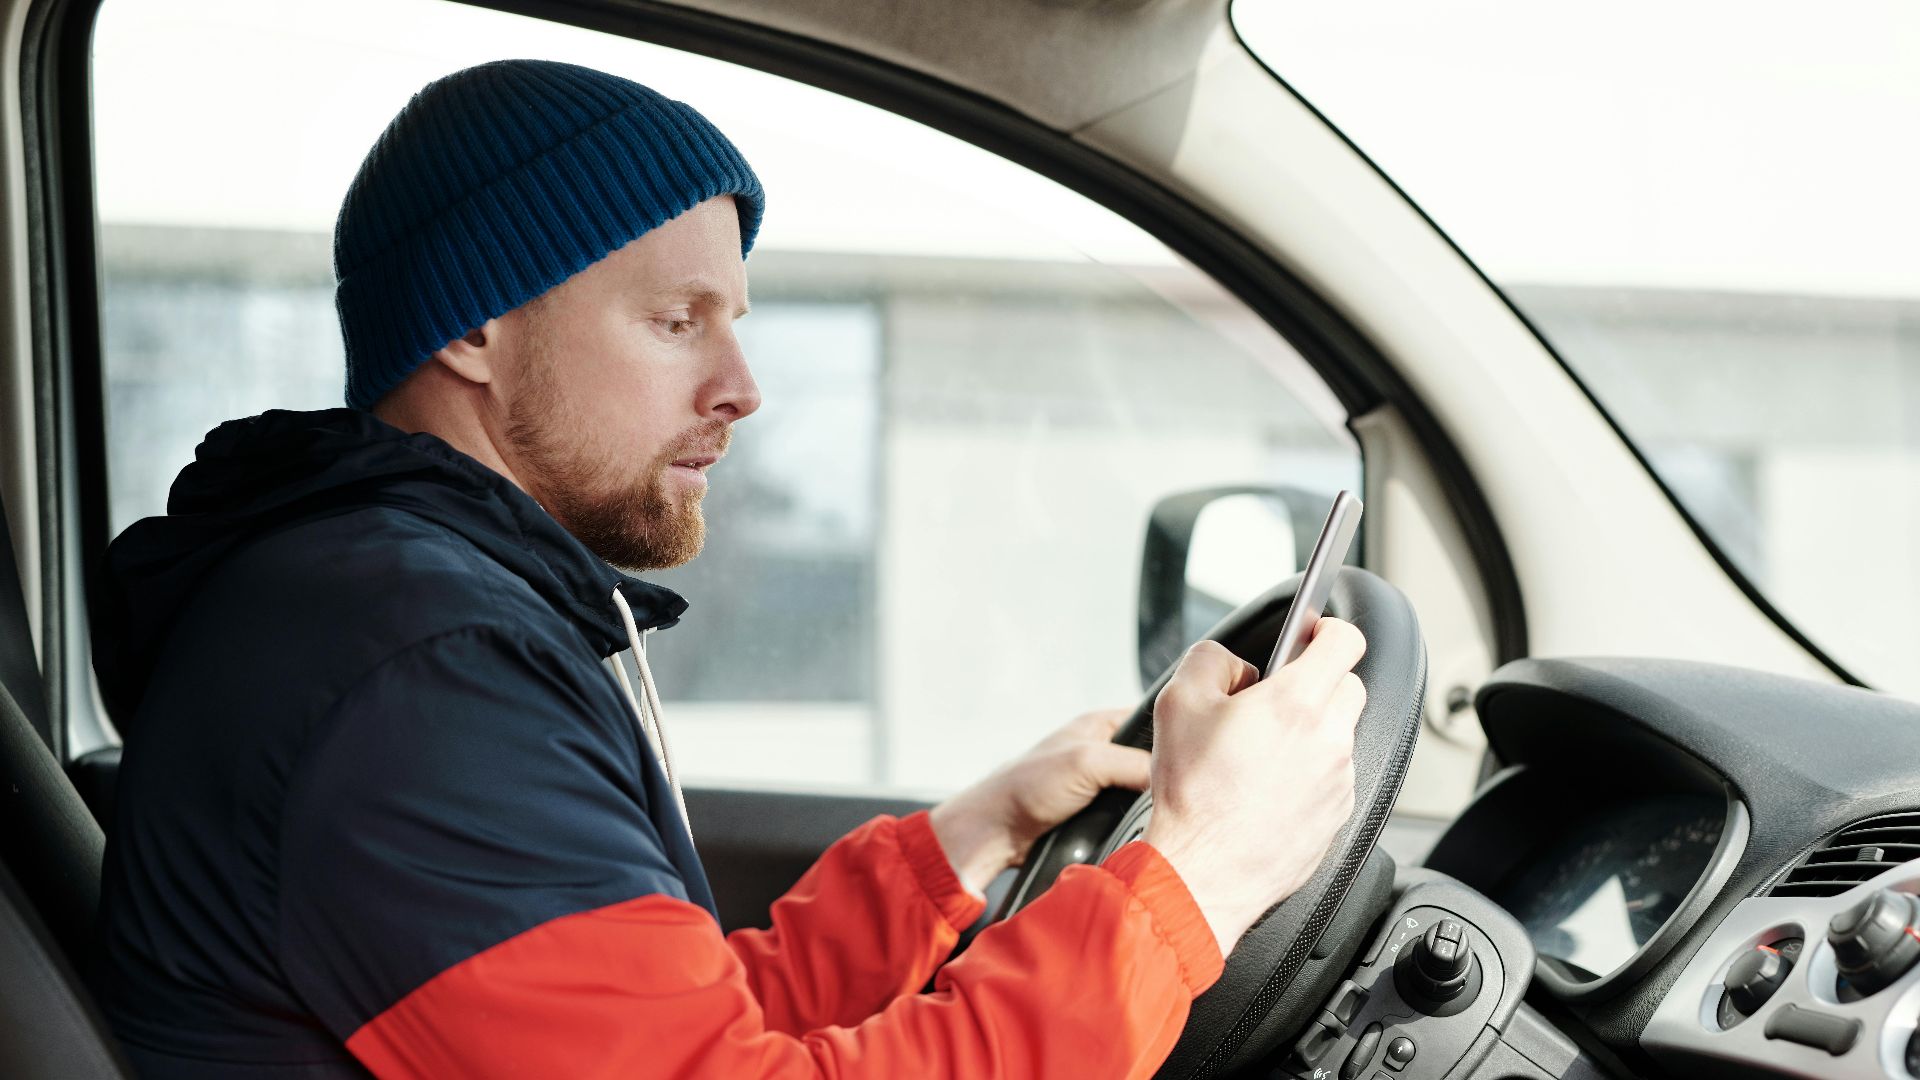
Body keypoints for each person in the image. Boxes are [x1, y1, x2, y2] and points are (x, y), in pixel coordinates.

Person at [91, 59, 1367, 1078]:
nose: (742, 389)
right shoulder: (411, 671)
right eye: (674, 319)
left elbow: (657, 1025)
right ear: (475, 327)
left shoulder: (398, 609)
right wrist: (1200, 873)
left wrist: (977, 833)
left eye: (734, 321)